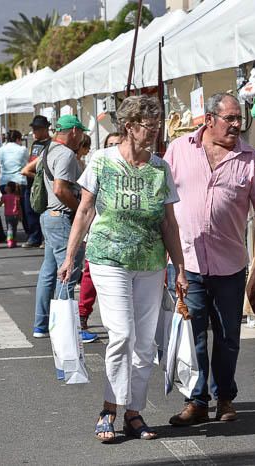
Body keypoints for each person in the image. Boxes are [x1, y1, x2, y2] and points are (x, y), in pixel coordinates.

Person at [57, 95, 188, 443]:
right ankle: (109, 408)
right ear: (130, 127)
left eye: (158, 127)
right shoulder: (102, 161)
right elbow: (84, 210)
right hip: (108, 258)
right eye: (150, 127)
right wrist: (71, 256)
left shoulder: (160, 168)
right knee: (122, 334)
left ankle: (134, 411)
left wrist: (180, 267)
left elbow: (169, 223)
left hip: (149, 261)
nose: (156, 133)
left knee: (145, 344)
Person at [164, 93, 255, 426]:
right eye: (229, 119)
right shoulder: (179, 150)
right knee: (195, 334)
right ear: (209, 119)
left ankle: (225, 397)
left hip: (230, 263)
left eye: (238, 119)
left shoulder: (250, 159)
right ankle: (197, 400)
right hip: (187, 261)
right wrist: (164, 260)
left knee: (228, 336)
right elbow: (162, 205)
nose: (236, 125)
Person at [31, 114, 87, 338]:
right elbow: (60, 189)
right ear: (74, 131)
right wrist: (78, 210)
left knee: (48, 271)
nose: (81, 138)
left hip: (48, 216)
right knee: (68, 272)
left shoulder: (47, 150)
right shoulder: (65, 154)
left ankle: (41, 325)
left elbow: (31, 172)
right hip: (60, 216)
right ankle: (67, 329)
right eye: (81, 133)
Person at [77, 132, 121, 344]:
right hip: (99, 236)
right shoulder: (99, 165)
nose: (113, 147)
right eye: (110, 144)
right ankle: (82, 316)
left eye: (117, 144)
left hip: (126, 242)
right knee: (89, 278)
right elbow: (85, 207)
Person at [21, 115, 51, 248]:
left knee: (42, 211)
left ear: (45, 129)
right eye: (33, 129)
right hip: (30, 182)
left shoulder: (49, 144)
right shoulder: (35, 143)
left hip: (40, 182)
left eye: (36, 129)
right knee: (29, 211)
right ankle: (34, 237)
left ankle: (45, 238)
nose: (34, 132)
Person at [0, 129, 28, 194]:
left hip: (4, 183)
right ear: (17, 139)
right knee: (20, 203)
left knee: (8, 203)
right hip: (19, 182)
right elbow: (26, 163)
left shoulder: (1, 149)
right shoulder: (23, 149)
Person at [1, 181, 21, 248]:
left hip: (8, 215)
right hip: (16, 215)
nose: (5, 187)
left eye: (6, 186)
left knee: (9, 228)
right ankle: (14, 241)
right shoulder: (16, 196)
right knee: (14, 228)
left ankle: (10, 241)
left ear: (9, 188)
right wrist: (21, 215)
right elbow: (19, 207)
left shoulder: (4, 197)